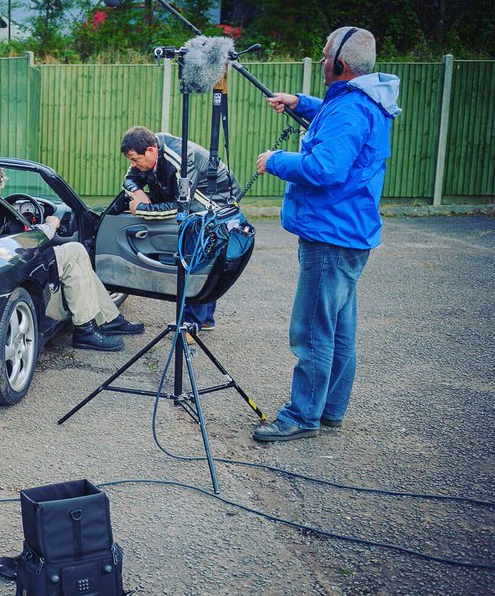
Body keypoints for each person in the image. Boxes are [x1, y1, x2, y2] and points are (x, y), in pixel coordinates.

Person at [252, 26, 400, 442]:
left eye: (324, 55)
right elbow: (336, 119)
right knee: (338, 327)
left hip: (330, 237)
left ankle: (302, 415)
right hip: (348, 234)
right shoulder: (361, 99)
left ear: (341, 65)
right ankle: (330, 408)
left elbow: (326, 169)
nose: (320, 61)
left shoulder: (352, 109)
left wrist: (276, 159)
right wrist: (301, 103)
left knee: (313, 330)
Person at [0, 163, 143, 351]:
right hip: (11, 261)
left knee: (77, 260)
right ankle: (86, 330)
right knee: (75, 251)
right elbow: (26, 239)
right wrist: (51, 224)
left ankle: (110, 319)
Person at [119, 126, 243, 336]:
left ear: (150, 151)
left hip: (216, 200)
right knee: (204, 253)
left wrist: (142, 209)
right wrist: (138, 191)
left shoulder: (182, 160)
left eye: (135, 160)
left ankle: (189, 325)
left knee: (196, 253)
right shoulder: (146, 153)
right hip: (194, 198)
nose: (133, 165)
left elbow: (181, 207)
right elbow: (128, 179)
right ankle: (204, 320)